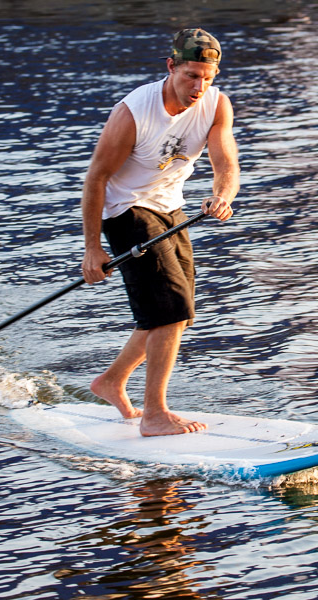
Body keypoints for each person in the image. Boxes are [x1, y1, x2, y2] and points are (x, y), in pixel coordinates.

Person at [80, 28, 239, 437]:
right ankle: (154, 415)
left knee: (176, 314)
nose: (199, 87)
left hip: (169, 208)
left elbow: (226, 164)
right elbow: (96, 178)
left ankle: (111, 381)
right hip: (125, 210)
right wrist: (92, 249)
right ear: (171, 67)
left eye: (207, 77)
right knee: (171, 311)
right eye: (191, 76)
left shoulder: (217, 105)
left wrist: (221, 196)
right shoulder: (133, 112)